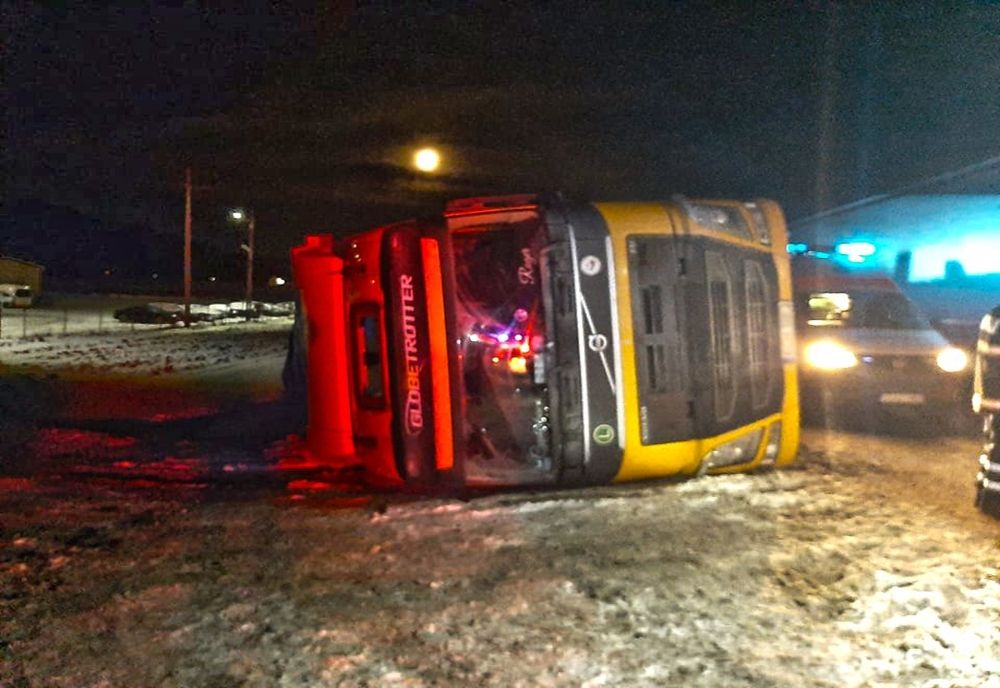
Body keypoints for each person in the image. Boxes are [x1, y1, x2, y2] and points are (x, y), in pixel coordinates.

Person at [973, 305, 1000, 518]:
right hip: (996, 393)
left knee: (992, 447)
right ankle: (992, 503)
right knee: (997, 450)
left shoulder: (993, 316)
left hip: (991, 393)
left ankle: (985, 496)